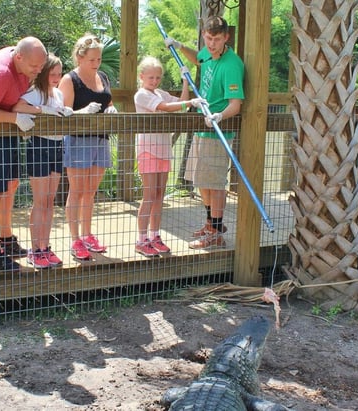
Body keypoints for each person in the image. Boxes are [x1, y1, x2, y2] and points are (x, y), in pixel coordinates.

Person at [164, 16, 245, 250]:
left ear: (226, 38)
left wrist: (219, 116)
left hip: (217, 132)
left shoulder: (231, 65)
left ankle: (217, 232)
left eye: (216, 39)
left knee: (215, 184)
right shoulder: (208, 53)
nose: (211, 44)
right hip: (202, 131)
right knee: (202, 181)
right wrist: (179, 46)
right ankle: (211, 224)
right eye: (208, 38)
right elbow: (198, 59)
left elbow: (235, 104)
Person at [0, 37, 48, 271]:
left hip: (6, 131)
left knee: (11, 184)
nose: (37, 72)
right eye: (33, 67)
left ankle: (6, 240)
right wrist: (15, 118)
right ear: (18, 57)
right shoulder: (0, 73)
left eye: (40, 67)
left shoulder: (23, 63)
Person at [133, 57, 204, 257]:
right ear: (142, 77)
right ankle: (141, 239)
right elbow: (166, 107)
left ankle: (155, 235)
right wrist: (189, 101)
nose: (154, 81)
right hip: (148, 149)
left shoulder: (160, 93)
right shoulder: (141, 95)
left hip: (163, 149)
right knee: (148, 195)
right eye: (150, 77)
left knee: (159, 195)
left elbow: (179, 104)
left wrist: (185, 82)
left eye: (157, 77)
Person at [57, 34, 117, 261]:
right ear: (80, 57)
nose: (96, 64)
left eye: (99, 59)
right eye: (92, 59)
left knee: (91, 192)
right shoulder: (69, 79)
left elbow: (108, 102)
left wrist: (112, 109)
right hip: (78, 139)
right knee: (77, 191)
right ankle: (75, 239)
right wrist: (84, 112)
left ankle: (88, 234)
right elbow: (64, 113)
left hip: (101, 138)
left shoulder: (102, 76)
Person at [12, 54, 72, 269]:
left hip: (57, 146)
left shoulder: (58, 94)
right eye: (52, 73)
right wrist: (43, 110)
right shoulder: (35, 92)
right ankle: (35, 249)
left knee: (49, 200)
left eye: (59, 74)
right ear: (44, 72)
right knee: (39, 201)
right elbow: (18, 106)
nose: (56, 78)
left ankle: (45, 247)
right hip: (39, 146)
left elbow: (62, 114)